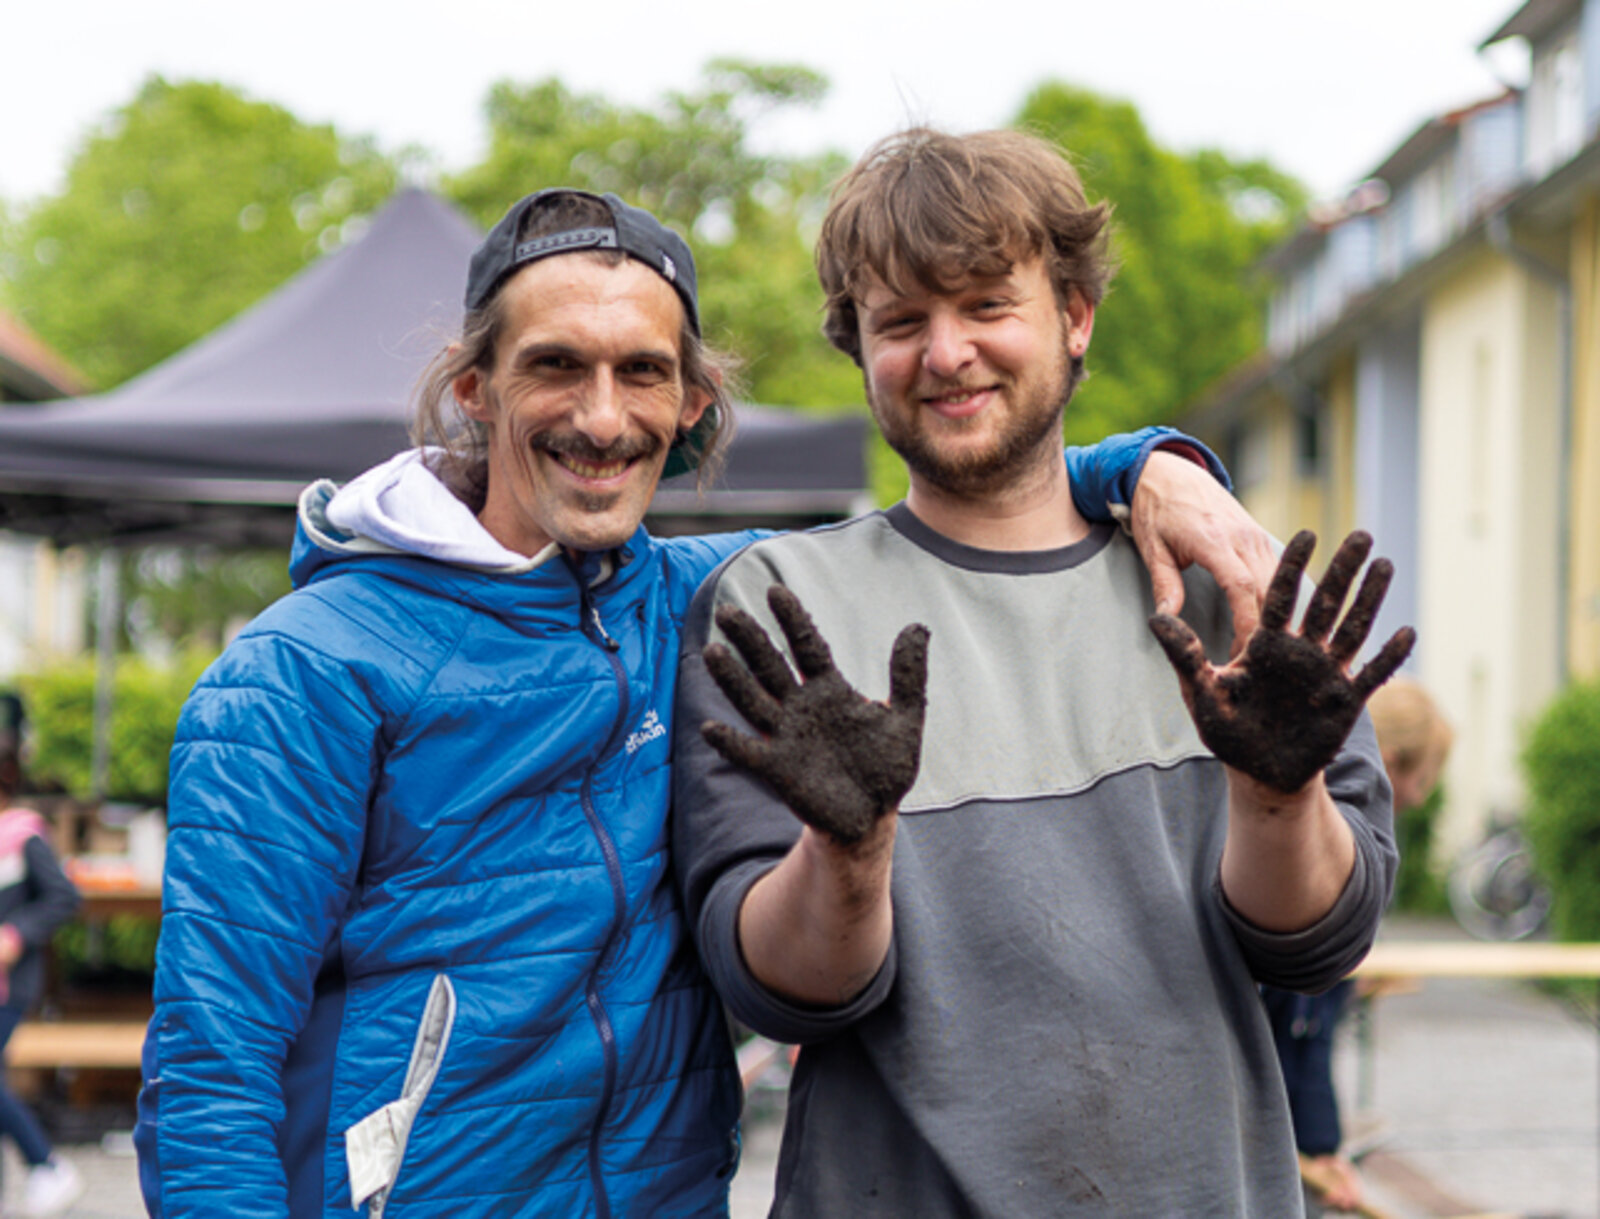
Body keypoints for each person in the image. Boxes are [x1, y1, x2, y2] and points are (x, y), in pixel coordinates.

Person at [132, 185, 1269, 1217]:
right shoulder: (301, 672)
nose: (602, 414)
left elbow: (951, 513)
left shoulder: (708, 602)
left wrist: (1142, 466)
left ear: (689, 403)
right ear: (473, 388)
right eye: (555, 366)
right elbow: (208, 1070)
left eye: (642, 372)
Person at [673, 127, 1415, 1217]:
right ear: (857, 347)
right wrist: (849, 849)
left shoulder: (1221, 584)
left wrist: (1275, 793)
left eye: (985, 305)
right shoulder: (782, 610)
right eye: (901, 321)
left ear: (1075, 314)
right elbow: (783, 994)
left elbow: (1316, 943)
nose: (946, 352)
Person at [1266, 676, 1454, 1215]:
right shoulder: (1330, 849)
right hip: (1273, 1126)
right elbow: (1299, 1026)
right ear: (1388, 761)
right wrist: (1321, 1149)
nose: (1421, 795)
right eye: (1424, 776)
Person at [0, 732, 84, 1218]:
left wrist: (15, 933)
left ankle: (47, 1164)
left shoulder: (23, 833)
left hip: (9, 986)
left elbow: (63, 898)